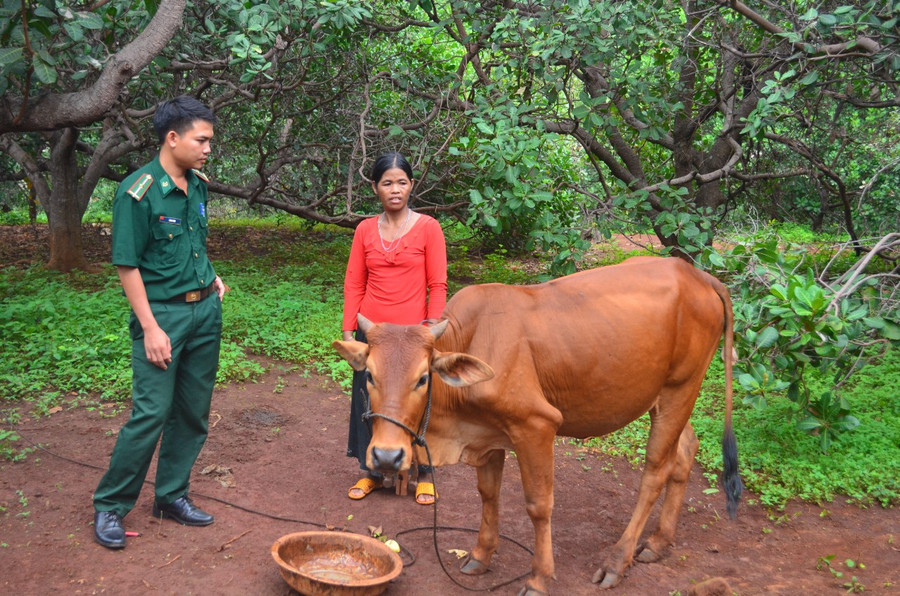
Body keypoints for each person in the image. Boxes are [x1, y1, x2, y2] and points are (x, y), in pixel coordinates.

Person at [92, 95, 227, 549]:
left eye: (210, 140)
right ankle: (111, 505)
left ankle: (171, 496)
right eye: (202, 140)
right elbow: (128, 266)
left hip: (205, 310)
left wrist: (212, 277)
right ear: (173, 138)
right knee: (151, 413)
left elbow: (192, 242)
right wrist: (150, 327)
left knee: (193, 411)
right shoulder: (139, 191)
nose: (209, 148)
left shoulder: (197, 185)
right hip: (163, 315)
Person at [342, 152, 447, 505]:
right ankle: (370, 470)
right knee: (368, 397)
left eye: (402, 182)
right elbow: (354, 283)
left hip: (412, 334)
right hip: (374, 333)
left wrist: (430, 330)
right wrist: (347, 330)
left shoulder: (429, 227)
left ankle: (424, 471)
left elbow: (438, 285)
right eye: (387, 183)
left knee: (418, 401)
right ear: (375, 188)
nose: (395, 189)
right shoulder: (365, 230)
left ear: (411, 185)